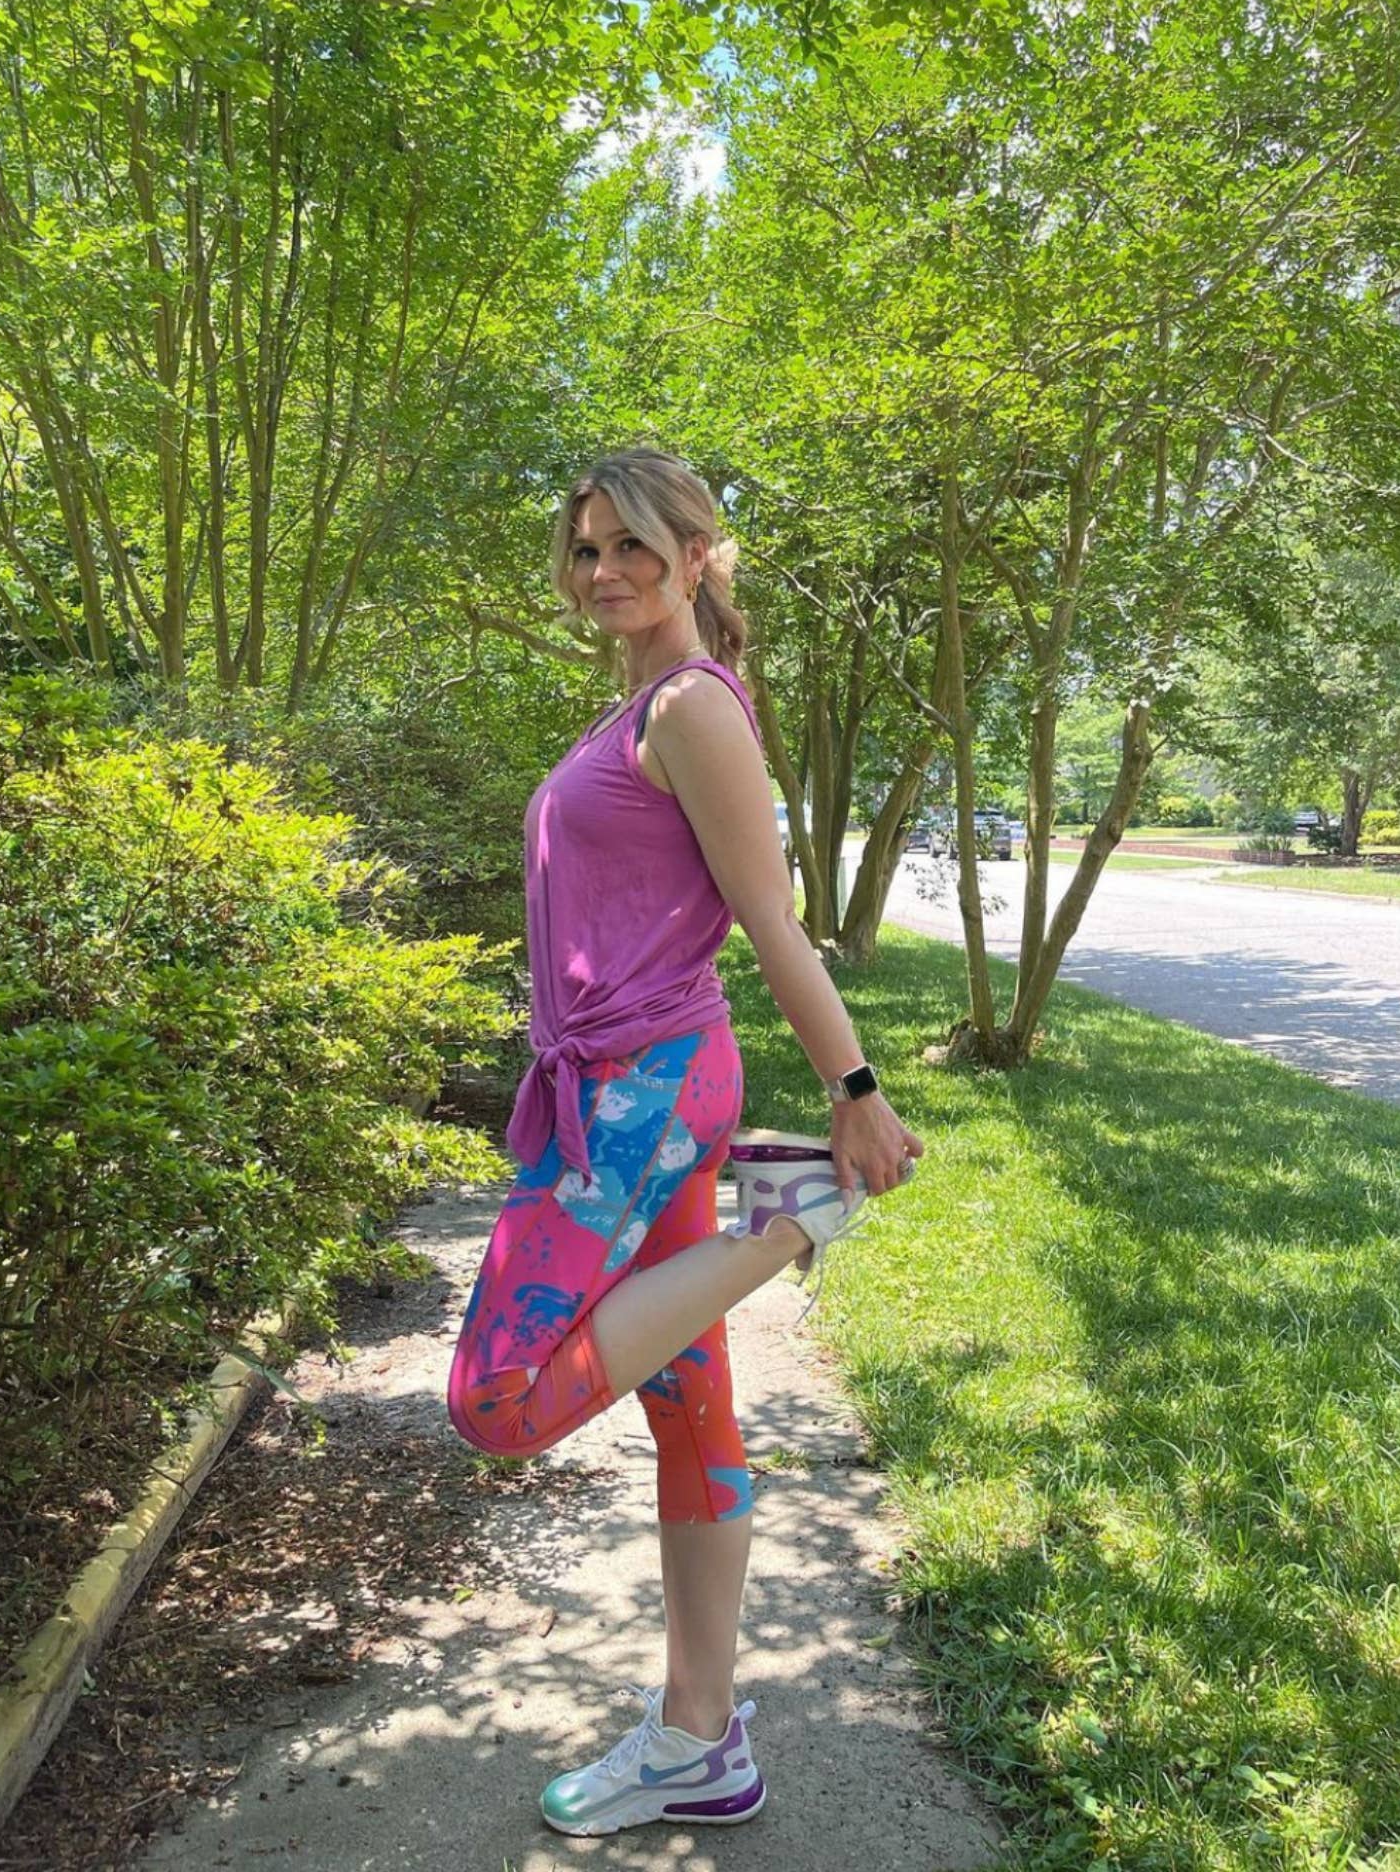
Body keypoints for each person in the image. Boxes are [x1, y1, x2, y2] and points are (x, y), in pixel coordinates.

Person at [446, 447, 925, 1840]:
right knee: (691, 1410)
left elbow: (772, 918)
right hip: (614, 1086)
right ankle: (698, 1743)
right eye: (586, 548)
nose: (603, 570)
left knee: (499, 1404)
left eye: (633, 545)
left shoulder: (695, 707)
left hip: (639, 1094)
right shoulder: (644, 703)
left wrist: (854, 1087)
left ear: (701, 553)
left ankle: (789, 1223)